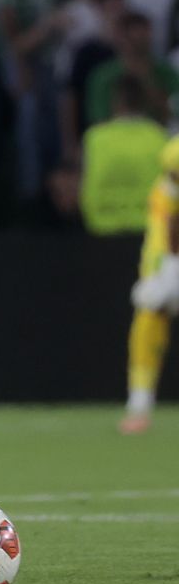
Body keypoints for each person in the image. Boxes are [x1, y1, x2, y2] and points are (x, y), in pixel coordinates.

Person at [123, 136, 179, 435]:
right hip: (169, 259)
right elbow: (171, 220)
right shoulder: (174, 156)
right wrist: (169, 266)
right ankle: (139, 405)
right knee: (150, 310)